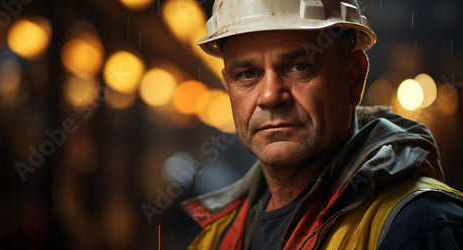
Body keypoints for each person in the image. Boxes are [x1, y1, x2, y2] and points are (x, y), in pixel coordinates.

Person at [181, 0, 463, 249]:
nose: (269, 96)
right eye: (247, 74)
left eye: (298, 67)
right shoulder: (216, 237)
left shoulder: (418, 226)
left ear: (353, 78)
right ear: (227, 86)